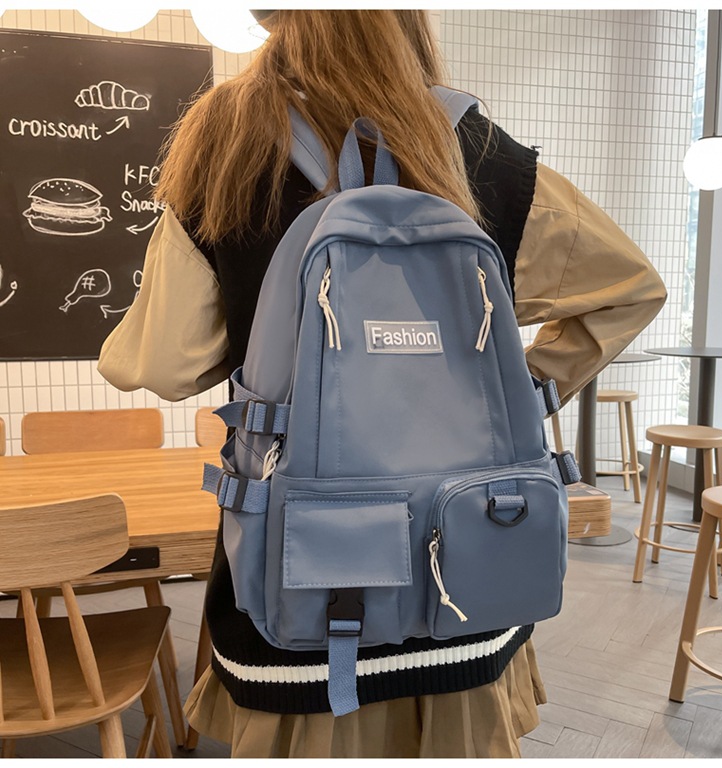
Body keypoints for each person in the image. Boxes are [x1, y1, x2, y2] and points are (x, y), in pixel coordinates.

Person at [98, 10, 667, 758]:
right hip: (466, 584)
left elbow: (160, 366)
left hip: (295, 594)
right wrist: (514, 392)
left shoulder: (228, 142)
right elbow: (631, 289)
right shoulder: (473, 147)